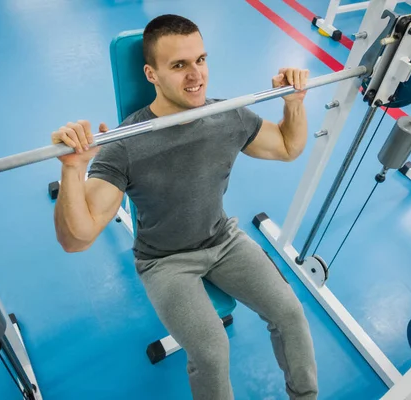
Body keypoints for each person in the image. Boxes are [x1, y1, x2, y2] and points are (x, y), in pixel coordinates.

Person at [52, 14, 318, 400]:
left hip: (223, 239)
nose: (196, 76)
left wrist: (293, 103)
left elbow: (288, 147)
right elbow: (77, 238)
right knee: (211, 352)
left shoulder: (227, 116)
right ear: (151, 74)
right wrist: (73, 169)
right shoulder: (125, 144)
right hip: (165, 261)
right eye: (179, 65)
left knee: (291, 315)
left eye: (201, 60)